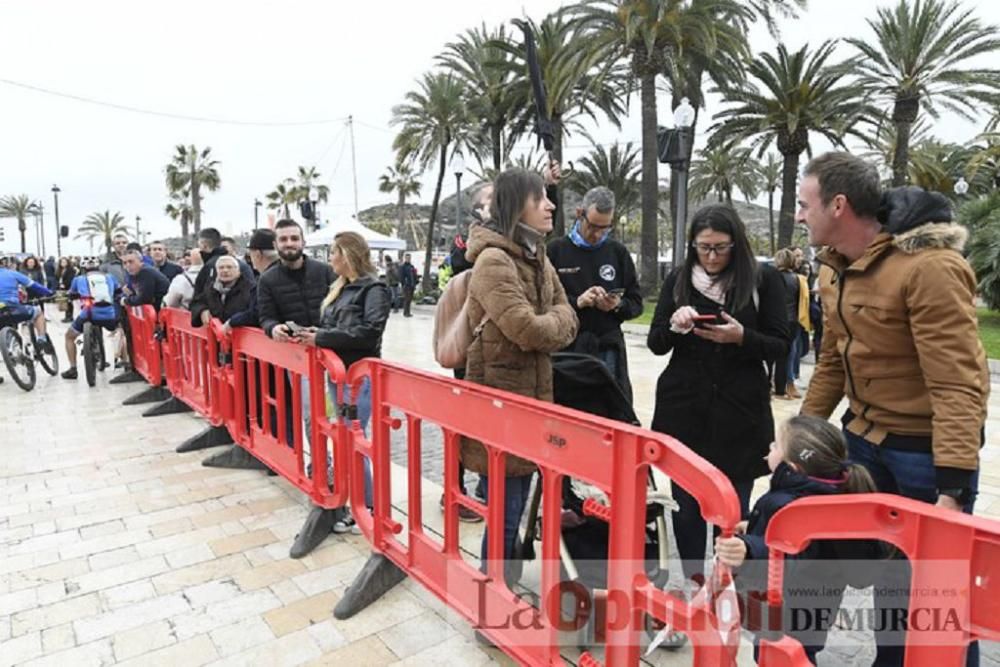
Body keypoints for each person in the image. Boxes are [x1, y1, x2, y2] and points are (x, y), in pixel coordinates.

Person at [797, 152, 989, 667]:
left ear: (838, 205)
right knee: (854, 580)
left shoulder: (930, 268)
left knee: (930, 604)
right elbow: (834, 362)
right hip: (861, 444)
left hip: (922, 457)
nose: (798, 215)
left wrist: (950, 490)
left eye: (803, 203)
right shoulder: (833, 266)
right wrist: (799, 438)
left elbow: (958, 384)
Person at [647, 204, 788, 583]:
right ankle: (695, 585)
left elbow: (782, 344)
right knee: (687, 508)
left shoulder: (762, 279)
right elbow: (656, 343)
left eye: (720, 248)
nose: (710, 256)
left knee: (731, 507)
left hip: (739, 414)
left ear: (736, 244)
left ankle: (725, 586)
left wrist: (742, 337)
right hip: (685, 410)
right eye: (703, 247)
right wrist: (676, 326)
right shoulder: (679, 278)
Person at [461, 167, 578, 579]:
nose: (550, 205)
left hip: (531, 403)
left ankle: (501, 584)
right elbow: (525, 328)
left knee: (515, 506)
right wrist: (553, 325)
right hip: (501, 406)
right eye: (540, 198)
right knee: (505, 512)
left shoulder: (536, 254)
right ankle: (493, 597)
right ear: (516, 206)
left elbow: (568, 315)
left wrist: (551, 325)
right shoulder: (494, 260)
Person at [714, 415, 879, 665]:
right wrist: (755, 528)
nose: (770, 447)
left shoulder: (791, 505)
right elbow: (815, 547)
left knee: (777, 655)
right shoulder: (833, 496)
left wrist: (749, 549)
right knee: (799, 654)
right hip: (816, 607)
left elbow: (796, 554)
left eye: (776, 445)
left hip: (786, 608)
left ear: (792, 466)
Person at [296, 231, 392, 533]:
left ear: (347, 255)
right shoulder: (342, 288)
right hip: (340, 375)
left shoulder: (374, 289)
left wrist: (321, 337)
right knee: (348, 439)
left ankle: (371, 507)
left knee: (354, 440)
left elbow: (369, 332)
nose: (330, 259)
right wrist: (314, 332)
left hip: (359, 376)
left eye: (334, 253)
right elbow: (338, 326)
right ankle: (360, 503)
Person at [547, 186, 643, 403]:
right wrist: (577, 302)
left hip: (606, 349)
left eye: (605, 227)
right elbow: (543, 302)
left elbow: (636, 303)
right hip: (566, 350)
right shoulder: (556, 251)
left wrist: (616, 305)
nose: (598, 233)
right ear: (580, 213)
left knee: (608, 413)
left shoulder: (617, 253)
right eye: (593, 226)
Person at [257, 220, 336, 339]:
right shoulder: (266, 279)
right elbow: (266, 317)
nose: (289, 243)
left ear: (303, 243)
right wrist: (273, 328)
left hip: (327, 344)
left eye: (294, 238)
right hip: (291, 349)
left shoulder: (326, 271)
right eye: (283, 239)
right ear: (275, 245)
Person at [61, 257, 121, 380]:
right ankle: (125, 362)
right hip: (109, 314)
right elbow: (118, 292)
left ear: (83, 268)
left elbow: (71, 294)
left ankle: (73, 369)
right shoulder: (109, 277)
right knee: (121, 331)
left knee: (69, 337)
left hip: (88, 313)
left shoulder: (79, 279)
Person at [772, 248, 806, 400]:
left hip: (775, 320)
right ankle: (781, 388)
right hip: (792, 321)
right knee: (785, 355)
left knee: (769, 355)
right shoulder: (798, 279)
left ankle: (769, 384)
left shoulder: (772, 277)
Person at [190, 255, 255, 331]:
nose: (225, 270)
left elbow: (253, 313)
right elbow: (197, 302)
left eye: (229, 267)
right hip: (215, 338)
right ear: (216, 271)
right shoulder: (211, 288)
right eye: (221, 268)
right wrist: (202, 310)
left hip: (241, 337)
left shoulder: (250, 289)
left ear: (238, 272)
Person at [0, 262, 54, 350]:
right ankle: (42, 339)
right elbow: (34, 285)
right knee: (38, 312)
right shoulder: (12, 273)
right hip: (11, 306)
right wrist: (49, 293)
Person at [193, 228, 254, 302]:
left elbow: (199, 297)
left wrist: (202, 310)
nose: (225, 270)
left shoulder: (209, 267)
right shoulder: (243, 265)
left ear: (204, 245)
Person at [56, 257, 78, 323]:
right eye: (62, 262)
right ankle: (67, 316)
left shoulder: (70, 270)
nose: (63, 263)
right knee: (64, 302)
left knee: (69, 302)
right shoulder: (60, 270)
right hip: (62, 288)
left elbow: (71, 279)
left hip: (68, 287)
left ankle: (70, 316)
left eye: (65, 262)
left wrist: (64, 284)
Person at [398, 253, 417, 317]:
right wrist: (403, 283)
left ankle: (408, 312)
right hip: (406, 285)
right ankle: (406, 312)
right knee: (407, 299)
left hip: (412, 285)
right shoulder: (402, 267)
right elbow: (401, 276)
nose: (408, 259)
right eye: (407, 258)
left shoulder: (411, 266)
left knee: (410, 299)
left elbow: (414, 275)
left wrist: (415, 282)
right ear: (405, 258)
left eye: (409, 258)